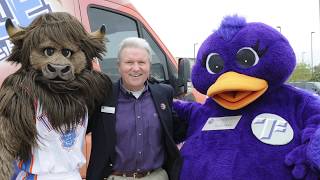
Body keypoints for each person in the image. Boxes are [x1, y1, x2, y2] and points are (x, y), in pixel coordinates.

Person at [86, 37, 187, 180]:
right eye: (129, 62)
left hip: (156, 176)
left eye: (141, 62)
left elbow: (176, 131)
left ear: (149, 66)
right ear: (119, 66)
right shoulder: (103, 96)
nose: (135, 68)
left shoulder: (164, 94)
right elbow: (79, 127)